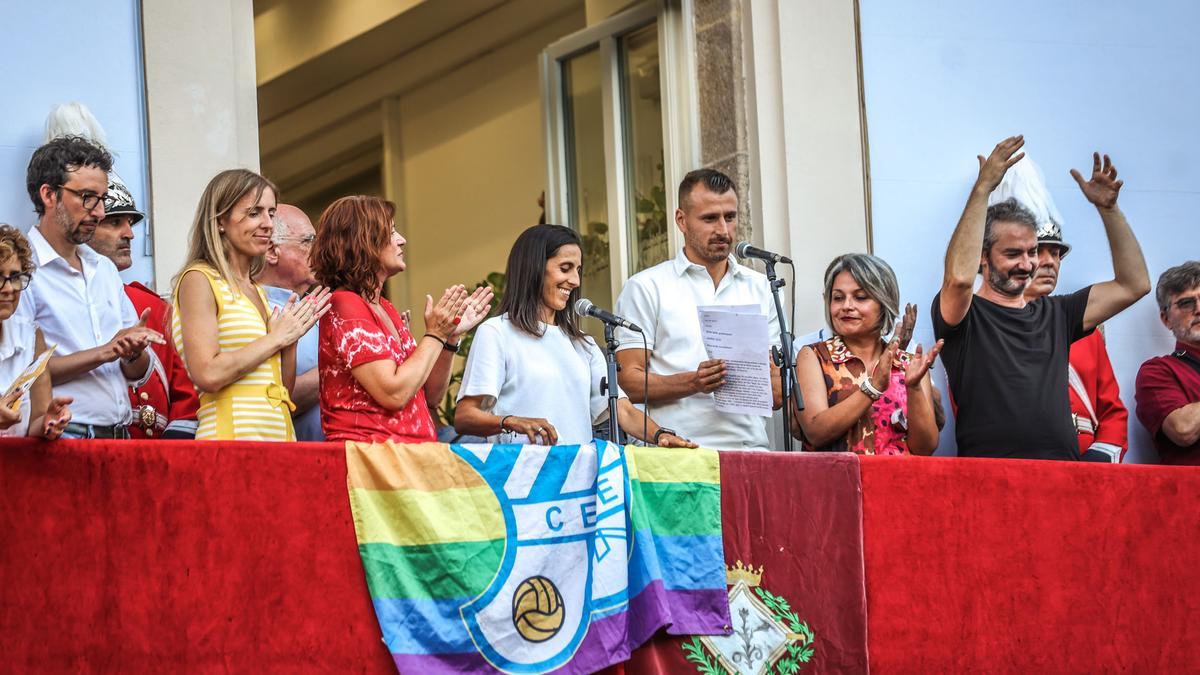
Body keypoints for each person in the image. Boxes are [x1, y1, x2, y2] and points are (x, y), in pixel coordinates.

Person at [934, 137, 1150, 460]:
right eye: (1012, 253)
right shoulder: (964, 316)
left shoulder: (1059, 313)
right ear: (982, 257)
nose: (1027, 264)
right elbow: (958, 278)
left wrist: (1109, 210)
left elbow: (1134, 284)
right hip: (987, 482)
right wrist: (982, 191)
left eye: (1031, 251)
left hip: (1063, 482)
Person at [455, 224, 695, 448]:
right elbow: (465, 416)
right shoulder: (497, 332)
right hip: (520, 481)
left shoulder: (583, 344)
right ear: (533, 268)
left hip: (576, 480)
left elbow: (621, 409)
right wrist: (511, 421)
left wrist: (660, 435)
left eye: (578, 270)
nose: (575, 281)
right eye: (565, 268)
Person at [613, 169, 780, 451]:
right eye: (710, 219)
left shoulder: (762, 287)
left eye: (730, 217)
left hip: (749, 451)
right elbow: (628, 381)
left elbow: (776, 388)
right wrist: (693, 382)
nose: (724, 231)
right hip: (676, 452)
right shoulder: (647, 286)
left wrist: (772, 383)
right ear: (681, 220)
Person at [311, 196, 492, 443]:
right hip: (372, 460)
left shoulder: (384, 307)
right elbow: (394, 394)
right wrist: (435, 334)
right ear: (364, 241)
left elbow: (430, 397)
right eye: (392, 231)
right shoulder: (345, 304)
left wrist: (448, 338)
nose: (401, 240)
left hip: (404, 458)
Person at [19, 136, 163, 439]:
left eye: (101, 198)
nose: (98, 212)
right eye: (87, 197)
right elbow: (22, 372)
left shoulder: (105, 270)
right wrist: (107, 351)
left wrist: (133, 353)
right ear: (49, 194)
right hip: (62, 436)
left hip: (120, 433)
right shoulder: (22, 271)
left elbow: (134, 373)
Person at [172, 169, 331, 441]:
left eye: (270, 212)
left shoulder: (256, 290)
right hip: (232, 440)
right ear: (221, 219)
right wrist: (277, 338)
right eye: (254, 213)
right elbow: (208, 373)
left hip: (280, 440)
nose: (268, 223)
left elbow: (282, 388)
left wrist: (290, 339)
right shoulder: (199, 278)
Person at [998, 157, 1129, 462]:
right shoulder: (986, 322)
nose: (1049, 261)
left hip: (1087, 464)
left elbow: (1111, 410)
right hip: (1019, 463)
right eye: (1038, 251)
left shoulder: (1086, 327)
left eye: (1056, 252)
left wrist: (1101, 455)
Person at [794, 254, 942, 455]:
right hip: (835, 483)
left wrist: (914, 388)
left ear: (884, 302)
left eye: (860, 297)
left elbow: (925, 448)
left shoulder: (908, 363)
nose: (847, 305)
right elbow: (814, 431)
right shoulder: (814, 357)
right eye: (838, 298)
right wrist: (872, 388)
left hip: (897, 483)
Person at [88, 176, 200, 438]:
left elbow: (185, 398)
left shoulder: (151, 306)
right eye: (115, 223)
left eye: (130, 223)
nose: (129, 234)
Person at [256, 204, 322, 441]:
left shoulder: (317, 307)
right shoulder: (254, 310)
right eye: (308, 242)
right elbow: (273, 398)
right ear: (272, 251)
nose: (318, 251)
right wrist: (343, 368)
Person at [0, 225, 72, 439]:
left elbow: (36, 422)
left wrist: (49, 422)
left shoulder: (31, 337)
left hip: (16, 468)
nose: (9, 288)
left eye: (15, 276)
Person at [1134, 262, 1200, 465]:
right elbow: (1183, 429)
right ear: (1166, 319)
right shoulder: (1157, 371)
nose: (1199, 309)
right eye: (1187, 303)